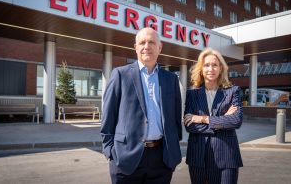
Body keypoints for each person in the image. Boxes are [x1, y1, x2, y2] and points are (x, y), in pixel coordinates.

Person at [100, 27, 182, 184]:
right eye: (142, 42)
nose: (147, 46)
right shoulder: (120, 74)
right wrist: (110, 151)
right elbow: (108, 117)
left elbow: (175, 119)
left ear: (160, 47)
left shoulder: (171, 79)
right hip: (126, 158)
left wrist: (173, 149)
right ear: (135, 47)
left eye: (151, 42)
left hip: (162, 159)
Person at [183, 48, 243, 184]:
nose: (211, 69)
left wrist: (204, 119)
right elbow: (191, 126)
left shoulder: (233, 91)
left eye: (215, 65)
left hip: (227, 157)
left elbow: (235, 121)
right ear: (201, 69)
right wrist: (223, 120)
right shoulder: (192, 94)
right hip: (198, 157)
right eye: (206, 65)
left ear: (221, 68)